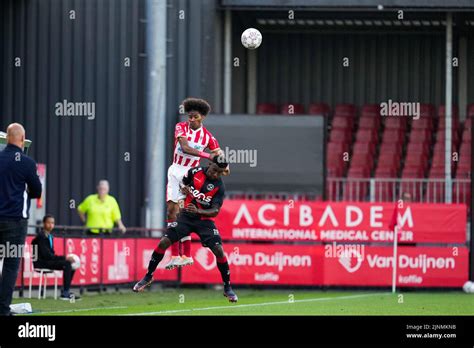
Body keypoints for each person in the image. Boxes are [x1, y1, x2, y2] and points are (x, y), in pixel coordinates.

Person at [133, 157, 238, 302]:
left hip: (204, 221)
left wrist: (198, 211)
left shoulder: (219, 186)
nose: (215, 174)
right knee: (163, 242)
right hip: (186, 218)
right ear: (209, 164)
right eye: (214, 170)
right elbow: (184, 184)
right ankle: (148, 276)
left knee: (219, 250)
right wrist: (184, 190)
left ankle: (227, 287)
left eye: (219, 173)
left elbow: (215, 211)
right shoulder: (194, 172)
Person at [163, 97, 226, 270]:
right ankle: (176, 256)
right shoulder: (180, 127)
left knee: (184, 212)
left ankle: (186, 255)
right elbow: (184, 147)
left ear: (202, 117)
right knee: (171, 211)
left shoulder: (208, 137)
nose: (190, 120)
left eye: (194, 117)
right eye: (189, 116)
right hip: (175, 170)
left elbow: (219, 155)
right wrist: (208, 156)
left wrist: (225, 165)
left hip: (191, 175)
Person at [0, 123, 42, 316]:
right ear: (22, 138)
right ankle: (2, 309)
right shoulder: (26, 163)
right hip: (15, 222)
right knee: (10, 266)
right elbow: (37, 191)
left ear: (7, 137)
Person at [31, 215, 79, 300]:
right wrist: (64, 258)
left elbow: (51, 255)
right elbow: (47, 255)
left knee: (71, 264)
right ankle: (65, 293)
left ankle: (66, 290)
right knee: (67, 264)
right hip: (42, 262)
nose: (50, 225)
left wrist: (64, 258)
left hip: (48, 261)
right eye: (48, 222)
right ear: (44, 223)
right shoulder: (41, 236)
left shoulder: (49, 236)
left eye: (52, 223)